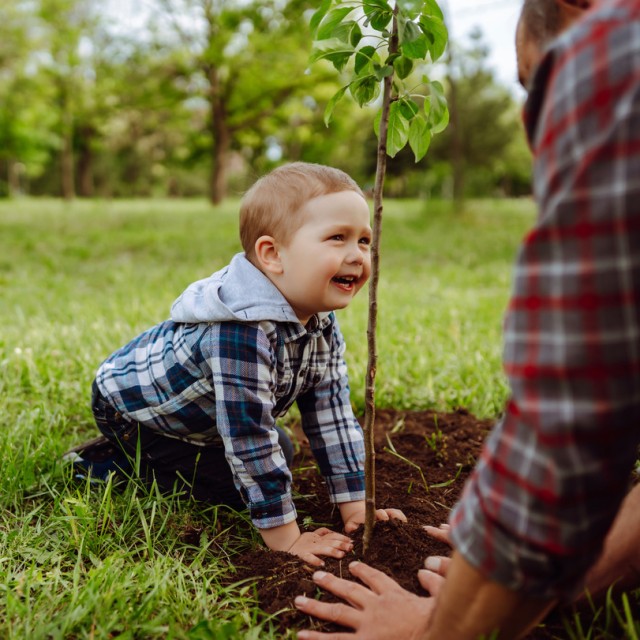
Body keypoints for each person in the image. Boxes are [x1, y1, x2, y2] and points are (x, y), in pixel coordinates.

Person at [293, 0, 640, 637]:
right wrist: (539, 578)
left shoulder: (615, 67)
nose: (531, 120)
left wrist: (441, 630)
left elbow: (571, 428)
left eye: (533, 82)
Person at [65, 162, 405, 566]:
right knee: (236, 482)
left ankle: (146, 455)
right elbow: (247, 440)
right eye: (337, 238)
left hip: (200, 415)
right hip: (132, 410)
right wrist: (287, 540)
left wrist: (355, 509)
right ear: (272, 254)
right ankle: (106, 465)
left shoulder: (320, 324)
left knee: (282, 447)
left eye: (364, 240)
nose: (357, 255)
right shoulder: (239, 330)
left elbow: (331, 414)